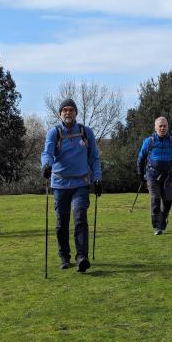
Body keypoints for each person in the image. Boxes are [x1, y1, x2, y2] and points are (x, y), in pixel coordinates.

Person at [41, 99, 102, 272]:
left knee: (80, 218)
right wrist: (46, 165)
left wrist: (97, 178)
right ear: (60, 113)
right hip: (60, 184)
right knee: (62, 222)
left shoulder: (85, 132)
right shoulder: (54, 133)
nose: (68, 113)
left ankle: (82, 257)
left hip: (81, 183)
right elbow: (47, 152)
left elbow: (94, 158)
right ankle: (64, 257)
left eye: (71, 110)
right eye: (65, 110)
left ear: (76, 113)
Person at [137, 117, 172, 235]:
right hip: (152, 174)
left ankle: (164, 218)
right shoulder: (149, 141)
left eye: (164, 126)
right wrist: (141, 174)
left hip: (168, 175)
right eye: (160, 126)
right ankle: (158, 227)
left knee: (168, 201)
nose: (162, 128)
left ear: (167, 127)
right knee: (155, 199)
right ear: (155, 127)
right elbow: (141, 159)